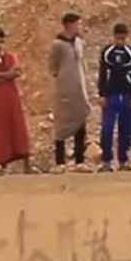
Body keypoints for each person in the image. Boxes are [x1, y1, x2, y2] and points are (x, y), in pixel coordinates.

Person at [0, 27, 32, 175]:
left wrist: (0, 75)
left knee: (19, 128)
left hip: (11, 99)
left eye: (2, 42)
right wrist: (6, 75)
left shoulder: (11, 57)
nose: (0, 45)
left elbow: (16, 72)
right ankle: (1, 165)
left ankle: (27, 164)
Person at [48, 12, 91, 170]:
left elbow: (82, 64)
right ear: (68, 25)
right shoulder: (58, 45)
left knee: (80, 122)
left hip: (79, 90)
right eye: (77, 24)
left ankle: (80, 161)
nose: (80, 27)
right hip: (64, 90)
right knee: (62, 125)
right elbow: (53, 67)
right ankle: (60, 162)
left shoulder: (79, 43)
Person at [97, 23, 131, 172]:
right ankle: (107, 161)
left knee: (126, 129)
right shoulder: (107, 52)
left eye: (123, 38)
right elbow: (103, 74)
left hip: (127, 95)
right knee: (107, 128)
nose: (120, 41)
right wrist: (102, 94)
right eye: (118, 38)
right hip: (111, 96)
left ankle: (123, 160)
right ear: (113, 37)